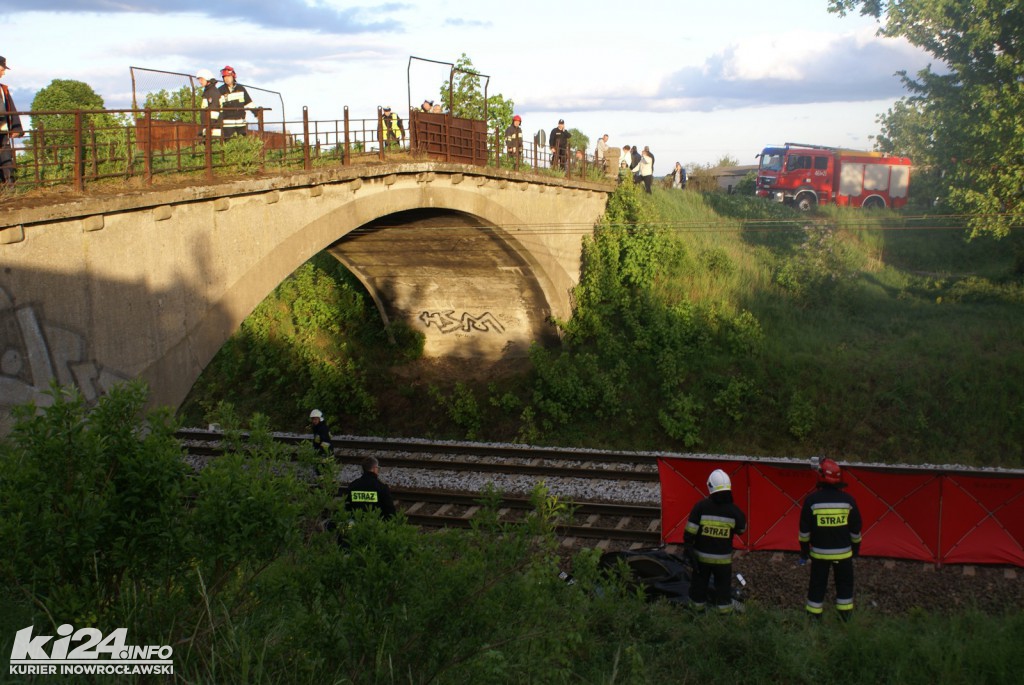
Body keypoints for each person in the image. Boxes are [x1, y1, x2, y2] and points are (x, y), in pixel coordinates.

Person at [799, 458, 863, 621]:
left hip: (819, 555)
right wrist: (855, 549)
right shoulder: (848, 501)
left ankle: (813, 619)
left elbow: (804, 532)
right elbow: (855, 530)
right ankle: (845, 619)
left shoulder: (811, 501)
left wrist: (805, 552)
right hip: (843, 556)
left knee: (817, 586)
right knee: (845, 586)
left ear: (821, 476)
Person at [683, 469, 747, 614]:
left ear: (710, 486)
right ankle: (723, 619)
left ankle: (695, 616)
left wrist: (688, 550)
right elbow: (741, 530)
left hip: (701, 561)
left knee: (698, 590)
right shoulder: (735, 511)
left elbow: (689, 533)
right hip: (723, 563)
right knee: (723, 592)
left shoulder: (700, 507)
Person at [0, 56, 24, 186]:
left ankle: (9, 187)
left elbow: (11, 107)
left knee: (6, 157)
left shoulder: (3, 89)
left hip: (3, 130)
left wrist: (16, 128)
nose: (4, 72)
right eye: (3, 69)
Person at [217, 66, 253, 141]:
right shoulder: (220, 90)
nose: (226, 78)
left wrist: (257, 113)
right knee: (228, 144)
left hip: (241, 123)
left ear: (233, 76)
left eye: (228, 76)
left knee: (242, 144)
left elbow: (249, 103)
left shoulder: (241, 89)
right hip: (227, 124)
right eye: (225, 77)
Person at [195, 68, 221, 141]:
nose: (200, 81)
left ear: (208, 79)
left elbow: (214, 111)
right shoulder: (208, 91)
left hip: (213, 130)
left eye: (201, 79)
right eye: (199, 79)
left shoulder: (212, 92)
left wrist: (210, 126)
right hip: (208, 128)